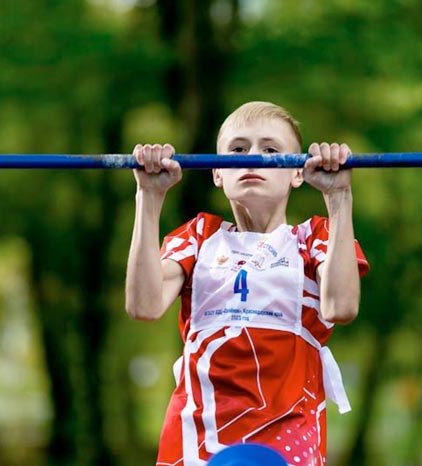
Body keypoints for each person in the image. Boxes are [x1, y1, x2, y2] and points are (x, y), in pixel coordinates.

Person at [125, 101, 369, 466]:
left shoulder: (315, 238)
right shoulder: (199, 236)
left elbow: (342, 307)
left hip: (287, 430)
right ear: (217, 173)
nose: (253, 157)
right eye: (238, 149)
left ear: (297, 173)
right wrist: (148, 196)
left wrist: (338, 197)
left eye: (271, 150)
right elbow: (143, 306)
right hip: (197, 433)